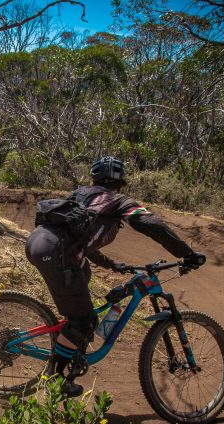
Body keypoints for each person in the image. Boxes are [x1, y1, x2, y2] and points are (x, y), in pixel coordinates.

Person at [25, 156, 205, 397]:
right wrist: (187, 254)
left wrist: (111, 264)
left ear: (95, 179)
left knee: (83, 281)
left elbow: (80, 240)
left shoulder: (81, 194)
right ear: (121, 182)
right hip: (56, 252)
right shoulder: (118, 201)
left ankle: (69, 341)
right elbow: (151, 224)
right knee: (84, 321)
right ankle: (57, 381)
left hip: (40, 243)